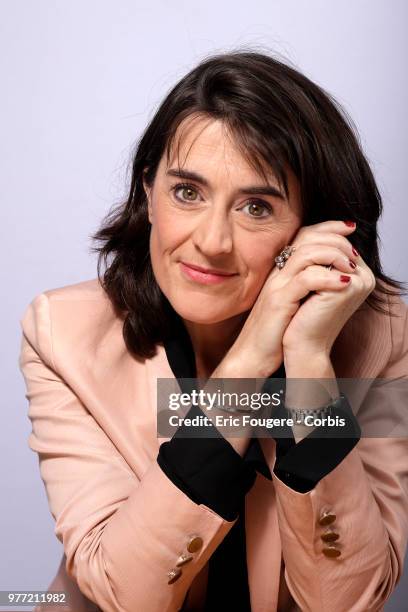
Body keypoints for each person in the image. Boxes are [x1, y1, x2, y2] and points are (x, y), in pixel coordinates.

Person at [19, 49, 408, 612]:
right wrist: (250, 358)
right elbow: (126, 597)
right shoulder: (65, 335)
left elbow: (349, 600)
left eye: (256, 206)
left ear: (315, 228)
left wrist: (308, 360)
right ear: (148, 193)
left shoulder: (383, 340)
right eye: (187, 193)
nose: (213, 241)